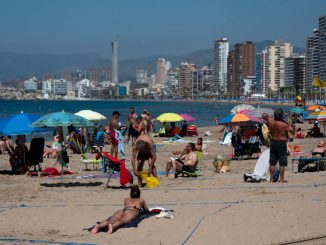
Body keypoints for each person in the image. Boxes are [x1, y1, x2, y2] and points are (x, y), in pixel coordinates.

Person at [262, 109, 294, 183]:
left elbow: (265, 118)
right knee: (281, 162)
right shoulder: (284, 124)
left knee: (272, 162)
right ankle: (282, 179)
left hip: (273, 142)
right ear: (281, 115)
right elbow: (292, 130)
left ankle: (271, 179)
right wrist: (287, 123)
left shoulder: (271, 123)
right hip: (281, 142)